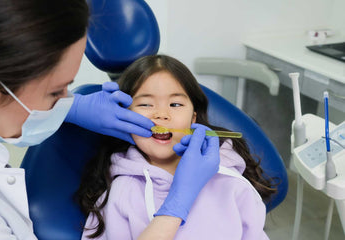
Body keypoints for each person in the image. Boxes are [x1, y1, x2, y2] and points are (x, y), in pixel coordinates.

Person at [0, 1, 222, 239]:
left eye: (69, 89)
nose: (67, 100)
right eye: (55, 92)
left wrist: (75, 107)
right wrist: (175, 208)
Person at [77, 55, 277, 239]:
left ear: (193, 117)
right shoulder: (119, 194)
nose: (161, 115)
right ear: (123, 118)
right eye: (146, 104)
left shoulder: (231, 183)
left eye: (175, 105)